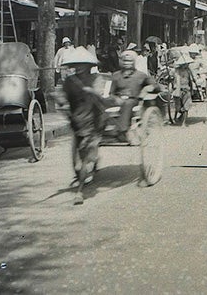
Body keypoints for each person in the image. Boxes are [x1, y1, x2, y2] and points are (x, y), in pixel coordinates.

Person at [60, 55, 105, 205]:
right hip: (77, 120)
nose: (79, 67)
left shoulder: (96, 79)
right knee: (82, 154)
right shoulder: (69, 81)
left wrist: (93, 92)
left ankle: (79, 192)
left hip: (94, 119)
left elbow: (101, 98)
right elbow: (63, 97)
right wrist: (58, 100)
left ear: (88, 65)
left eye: (82, 64)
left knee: (84, 159)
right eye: (77, 64)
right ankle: (91, 162)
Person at [110, 50, 153, 143]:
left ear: (134, 62)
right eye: (124, 61)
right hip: (117, 99)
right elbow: (111, 92)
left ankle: (122, 131)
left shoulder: (141, 75)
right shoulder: (116, 75)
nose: (127, 63)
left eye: (129, 61)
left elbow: (154, 85)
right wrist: (115, 98)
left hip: (133, 100)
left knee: (127, 103)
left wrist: (148, 88)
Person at [170, 55, 194, 126]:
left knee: (186, 107)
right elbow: (171, 77)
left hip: (186, 89)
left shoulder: (188, 71)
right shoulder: (176, 71)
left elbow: (190, 81)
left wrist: (191, 90)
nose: (186, 65)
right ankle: (176, 117)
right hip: (177, 90)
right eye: (185, 64)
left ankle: (184, 122)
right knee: (178, 107)